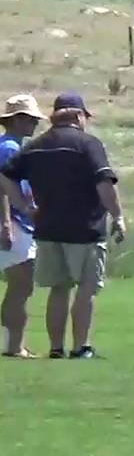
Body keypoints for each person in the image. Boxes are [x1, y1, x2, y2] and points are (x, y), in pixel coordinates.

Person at [0, 93, 125, 359]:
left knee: (58, 288)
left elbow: (6, 176)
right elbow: (104, 183)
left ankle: (56, 348)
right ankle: (80, 347)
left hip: (47, 229)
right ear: (79, 116)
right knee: (86, 288)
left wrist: (24, 206)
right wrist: (119, 216)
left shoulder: (36, 146)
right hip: (86, 229)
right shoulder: (88, 144)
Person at [0, 95, 45, 358]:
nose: (35, 124)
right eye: (30, 119)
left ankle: (14, 343)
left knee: (20, 284)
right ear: (16, 120)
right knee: (21, 284)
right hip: (14, 222)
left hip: (18, 221)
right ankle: (14, 345)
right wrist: (5, 222)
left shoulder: (12, 146)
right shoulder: (9, 149)